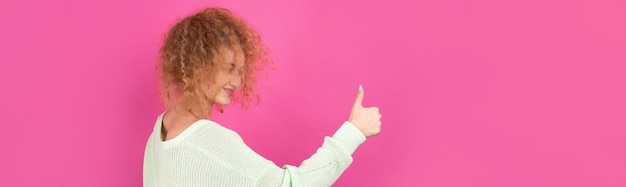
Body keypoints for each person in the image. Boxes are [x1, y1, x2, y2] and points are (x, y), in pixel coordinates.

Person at [143, 7, 382, 187]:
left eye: (240, 71)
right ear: (197, 66)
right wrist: (354, 131)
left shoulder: (160, 130)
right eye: (229, 69)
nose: (237, 82)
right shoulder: (207, 139)